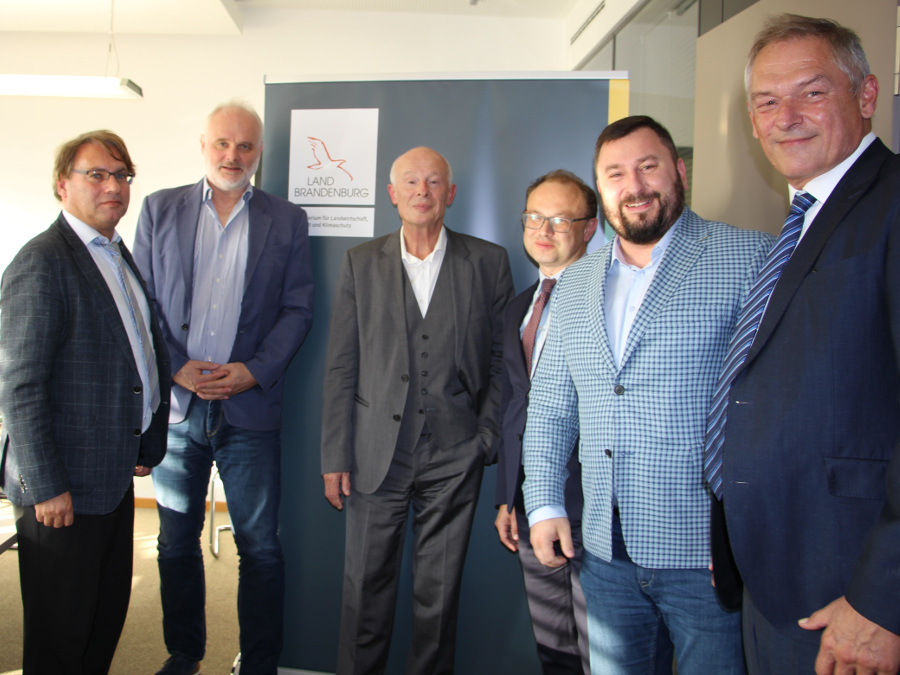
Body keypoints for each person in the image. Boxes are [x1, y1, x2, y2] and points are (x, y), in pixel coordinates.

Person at [523, 116, 773, 674]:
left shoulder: (749, 259)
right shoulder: (576, 283)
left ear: (679, 171)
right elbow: (552, 406)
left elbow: (773, 409)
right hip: (605, 556)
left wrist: (747, 532)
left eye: (648, 166)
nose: (633, 185)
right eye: (615, 173)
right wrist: (542, 501)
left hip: (706, 557)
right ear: (601, 189)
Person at [705, 14, 900, 674]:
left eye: (812, 92)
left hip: (850, 593)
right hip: (777, 576)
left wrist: (883, 601)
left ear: (866, 96)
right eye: (766, 100)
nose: (786, 116)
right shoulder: (798, 224)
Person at [133, 101, 314, 675]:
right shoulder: (160, 209)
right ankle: (183, 653)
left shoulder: (288, 220)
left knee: (260, 548)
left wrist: (255, 369)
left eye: (246, 146)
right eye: (223, 144)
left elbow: (298, 309)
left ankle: (260, 663)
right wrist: (176, 366)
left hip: (250, 409)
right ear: (203, 145)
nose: (233, 155)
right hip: (180, 411)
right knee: (174, 542)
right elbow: (142, 306)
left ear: (260, 152)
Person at [321, 146, 514, 674]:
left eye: (434, 182)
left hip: (455, 456)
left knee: (439, 596)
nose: (422, 192)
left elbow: (504, 363)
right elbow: (341, 366)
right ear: (392, 194)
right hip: (373, 455)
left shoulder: (488, 262)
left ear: (450, 195)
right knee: (364, 591)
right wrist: (335, 454)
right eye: (411, 182)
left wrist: (486, 440)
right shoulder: (360, 263)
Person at [0, 130, 170, 673]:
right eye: (96, 174)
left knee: (100, 621)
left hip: (110, 477)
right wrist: (45, 485)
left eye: (122, 175)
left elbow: (138, 352)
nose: (113, 187)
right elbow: (19, 385)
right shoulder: (43, 262)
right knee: (60, 637)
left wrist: (146, 437)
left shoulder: (114, 254)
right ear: (62, 185)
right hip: (61, 490)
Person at [494, 169, 597, 674]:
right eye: (535, 217)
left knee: (602, 649)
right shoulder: (518, 307)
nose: (544, 230)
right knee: (555, 647)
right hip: (533, 506)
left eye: (561, 219)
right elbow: (514, 408)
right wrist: (508, 496)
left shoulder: (607, 301)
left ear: (590, 229)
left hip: (594, 507)